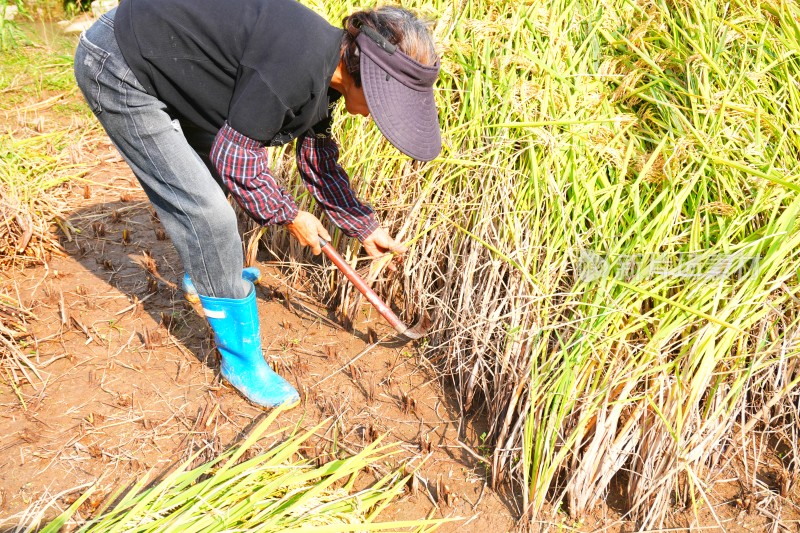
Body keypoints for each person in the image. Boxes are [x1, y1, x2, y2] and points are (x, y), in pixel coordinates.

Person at [73, 0, 441, 409]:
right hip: (118, 62)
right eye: (385, 103)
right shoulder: (296, 64)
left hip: (168, 48)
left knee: (210, 172)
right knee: (208, 211)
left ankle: (210, 273)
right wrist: (289, 215)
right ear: (365, 77)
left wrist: (363, 225)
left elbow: (317, 158)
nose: (377, 116)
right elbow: (238, 158)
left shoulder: (325, 65)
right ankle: (241, 362)